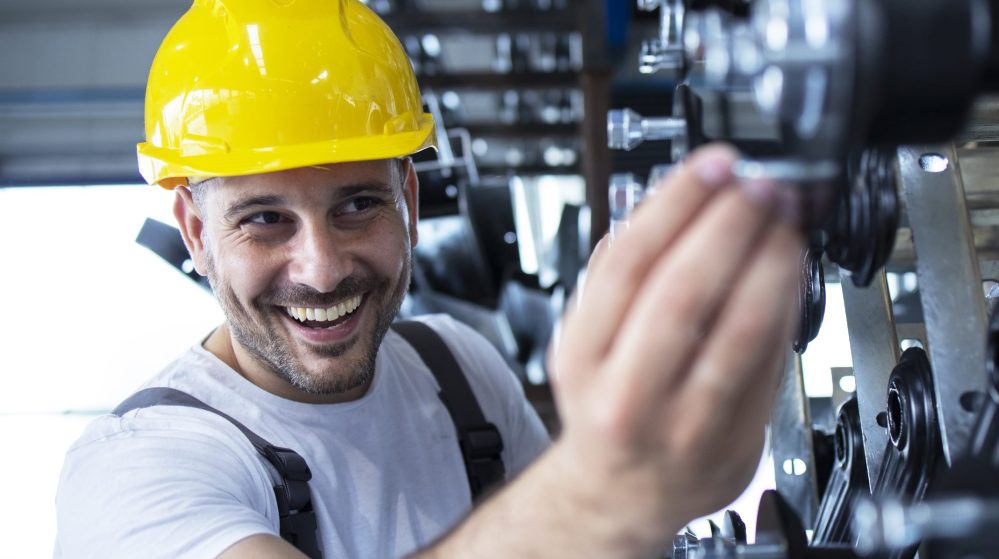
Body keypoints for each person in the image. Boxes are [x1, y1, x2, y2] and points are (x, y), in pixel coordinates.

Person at [54, 1, 806, 557]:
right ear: (195, 231)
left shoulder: (460, 373)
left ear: (408, 201)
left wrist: (679, 458)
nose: (322, 268)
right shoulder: (136, 469)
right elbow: (578, 516)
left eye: (357, 204)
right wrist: (603, 486)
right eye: (264, 219)